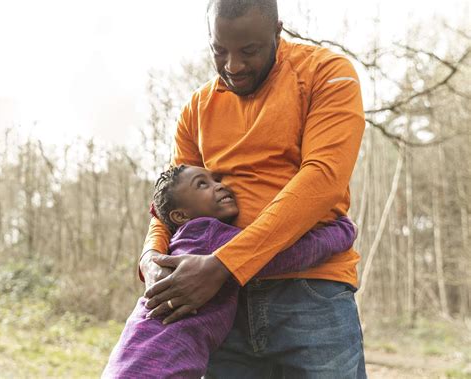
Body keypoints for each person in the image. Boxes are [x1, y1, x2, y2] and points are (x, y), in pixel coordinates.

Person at [141, 0, 366, 377]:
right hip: (218, 304)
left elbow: (323, 178)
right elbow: (169, 204)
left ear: (278, 32)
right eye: (219, 50)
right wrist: (151, 257)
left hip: (310, 291)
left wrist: (226, 265)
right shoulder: (196, 109)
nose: (233, 66)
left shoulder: (326, 73)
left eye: (249, 51)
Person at [103, 165, 357, 378]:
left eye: (216, 179)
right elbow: (283, 257)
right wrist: (340, 232)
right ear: (180, 215)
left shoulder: (183, 243)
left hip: (128, 362)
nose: (219, 185)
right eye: (202, 185)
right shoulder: (209, 234)